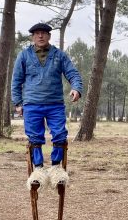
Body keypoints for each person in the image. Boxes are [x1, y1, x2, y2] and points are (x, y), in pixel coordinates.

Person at [11, 22, 82, 179]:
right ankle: (38, 170)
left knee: (59, 135)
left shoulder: (59, 55)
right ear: (33, 37)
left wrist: (76, 88)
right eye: (37, 33)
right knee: (35, 137)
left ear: (49, 36)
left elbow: (73, 74)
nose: (40, 36)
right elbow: (16, 81)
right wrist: (17, 103)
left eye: (44, 33)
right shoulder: (23, 56)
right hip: (31, 104)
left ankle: (56, 168)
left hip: (55, 104)